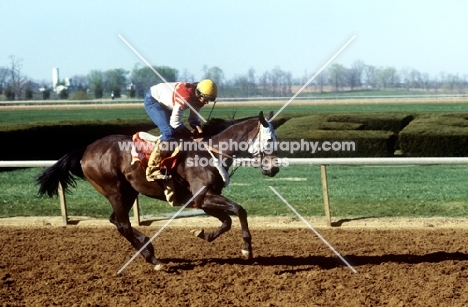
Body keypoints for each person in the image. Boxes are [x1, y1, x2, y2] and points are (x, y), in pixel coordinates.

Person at [144, 79, 218, 180]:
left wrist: (200, 131)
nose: (206, 102)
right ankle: (152, 170)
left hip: (168, 102)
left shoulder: (198, 98)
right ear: (199, 94)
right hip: (154, 100)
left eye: (209, 100)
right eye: (206, 99)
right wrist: (190, 136)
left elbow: (193, 119)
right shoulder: (185, 97)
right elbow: (175, 123)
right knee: (169, 132)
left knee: (178, 135)